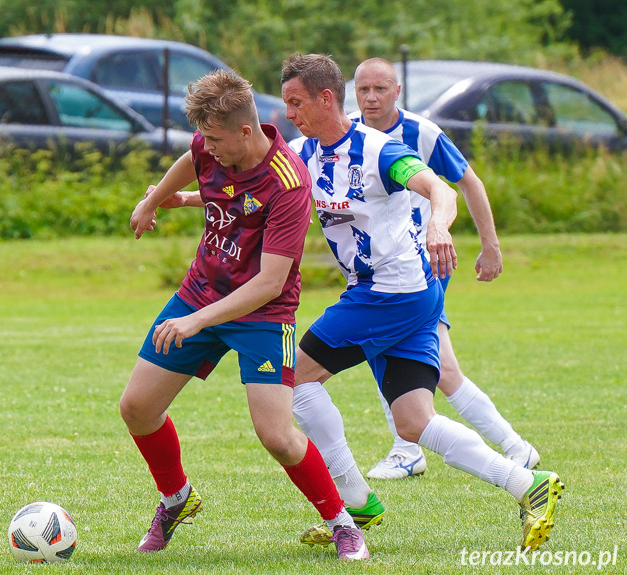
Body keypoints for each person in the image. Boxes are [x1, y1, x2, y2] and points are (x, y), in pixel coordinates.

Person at [279, 53, 564, 552]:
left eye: (296, 102)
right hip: (408, 295)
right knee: (414, 422)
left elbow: (440, 187)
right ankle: (528, 484)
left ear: (326, 99)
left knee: (294, 379)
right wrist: (187, 199)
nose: (289, 113)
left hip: (389, 293)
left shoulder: (379, 149)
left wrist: (437, 223)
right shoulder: (303, 152)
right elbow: (257, 191)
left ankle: (354, 502)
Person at [120, 68, 369, 561]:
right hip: (200, 290)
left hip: (262, 313)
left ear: (246, 131)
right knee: (137, 408)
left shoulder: (288, 183)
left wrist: (197, 321)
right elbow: (189, 159)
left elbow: (270, 282)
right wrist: (154, 202)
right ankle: (176, 500)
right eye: (204, 137)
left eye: (214, 139)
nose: (206, 147)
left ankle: (342, 523)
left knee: (276, 434)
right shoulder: (211, 143)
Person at [351, 57, 540, 480]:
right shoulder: (349, 134)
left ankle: (421, 451)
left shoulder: (422, 133)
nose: (371, 98)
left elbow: (468, 183)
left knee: (421, 361)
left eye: (380, 89)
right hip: (377, 270)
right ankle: (507, 447)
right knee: (415, 360)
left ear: (397, 91)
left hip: (423, 264)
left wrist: (490, 246)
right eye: (363, 90)